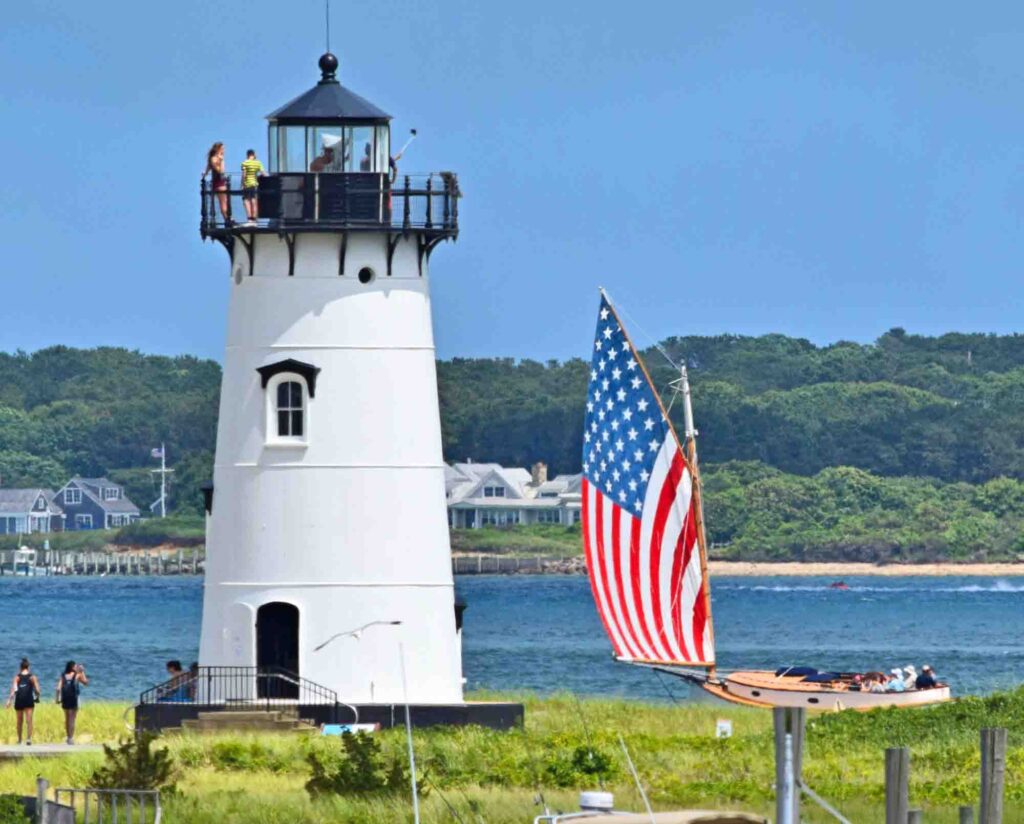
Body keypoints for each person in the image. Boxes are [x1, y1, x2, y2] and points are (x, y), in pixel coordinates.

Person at [5, 659, 40, 745]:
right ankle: (28, 739)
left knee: (19, 721)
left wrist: (9, 701)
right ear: (28, 667)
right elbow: (38, 690)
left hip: (19, 700)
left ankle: (20, 740)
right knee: (29, 720)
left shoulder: (17, 677)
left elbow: (13, 690)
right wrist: (37, 696)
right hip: (28, 700)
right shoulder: (32, 677)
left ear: (20, 667)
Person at [56, 661, 89, 745]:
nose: (76, 667)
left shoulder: (63, 676)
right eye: (75, 666)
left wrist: (57, 699)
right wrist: (82, 671)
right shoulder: (77, 675)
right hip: (74, 699)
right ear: (72, 667)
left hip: (65, 699)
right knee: (72, 719)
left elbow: (58, 688)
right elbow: (86, 682)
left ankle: (68, 737)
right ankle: (71, 738)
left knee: (67, 718)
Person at [203, 142, 231, 225]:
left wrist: (204, 174)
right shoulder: (214, 158)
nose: (224, 150)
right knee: (223, 202)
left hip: (221, 182)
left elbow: (207, 169)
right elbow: (220, 171)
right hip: (218, 183)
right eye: (222, 148)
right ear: (218, 149)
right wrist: (221, 161)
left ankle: (229, 218)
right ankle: (227, 219)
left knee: (225, 201)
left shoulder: (215, 158)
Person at [240, 149, 265, 224]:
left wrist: (242, 184)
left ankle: (249, 218)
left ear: (247, 155)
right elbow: (263, 173)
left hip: (247, 184)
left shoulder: (245, 163)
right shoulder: (258, 163)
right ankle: (254, 218)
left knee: (246, 200)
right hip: (254, 184)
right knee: (254, 200)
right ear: (253, 154)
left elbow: (244, 175)